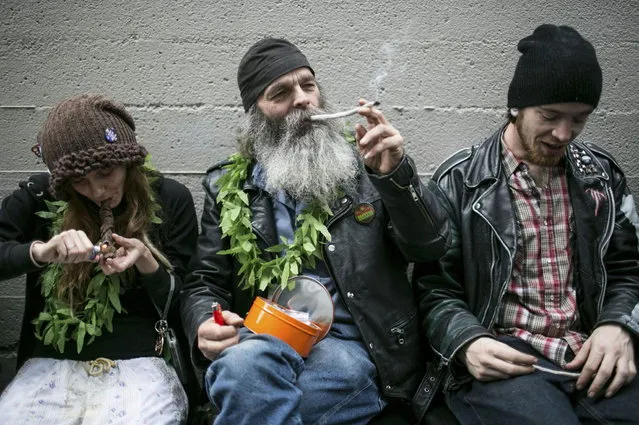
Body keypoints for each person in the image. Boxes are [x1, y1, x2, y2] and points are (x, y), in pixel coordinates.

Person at [180, 38, 450, 425]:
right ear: (256, 115)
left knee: (245, 387)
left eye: (308, 85)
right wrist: (205, 320)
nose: (303, 99)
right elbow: (204, 281)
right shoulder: (228, 187)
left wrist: (396, 178)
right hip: (262, 345)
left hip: (351, 349)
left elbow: (430, 247)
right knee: (247, 366)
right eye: (281, 93)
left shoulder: (368, 166)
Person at [413, 24, 639, 425]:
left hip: (589, 350)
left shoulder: (601, 175)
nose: (564, 134)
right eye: (550, 116)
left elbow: (628, 270)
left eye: (579, 119)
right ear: (516, 106)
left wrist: (619, 326)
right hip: (508, 357)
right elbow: (435, 288)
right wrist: (467, 341)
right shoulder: (461, 181)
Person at [0, 94, 199, 424]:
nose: (97, 191)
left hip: (142, 363)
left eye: (106, 172)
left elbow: (186, 304)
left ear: (127, 160)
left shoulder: (170, 198)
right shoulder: (39, 197)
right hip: (52, 363)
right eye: (80, 181)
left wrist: (148, 263)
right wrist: (39, 252)